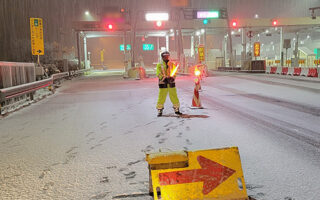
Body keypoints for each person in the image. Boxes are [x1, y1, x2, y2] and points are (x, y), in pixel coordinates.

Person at [156, 51, 182, 117]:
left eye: (168, 56)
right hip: (163, 82)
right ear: (162, 57)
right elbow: (158, 73)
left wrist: (173, 78)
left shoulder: (171, 64)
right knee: (161, 97)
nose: (167, 57)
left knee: (174, 96)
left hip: (171, 82)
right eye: (165, 56)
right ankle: (159, 110)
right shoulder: (159, 65)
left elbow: (174, 72)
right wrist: (163, 78)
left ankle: (176, 109)